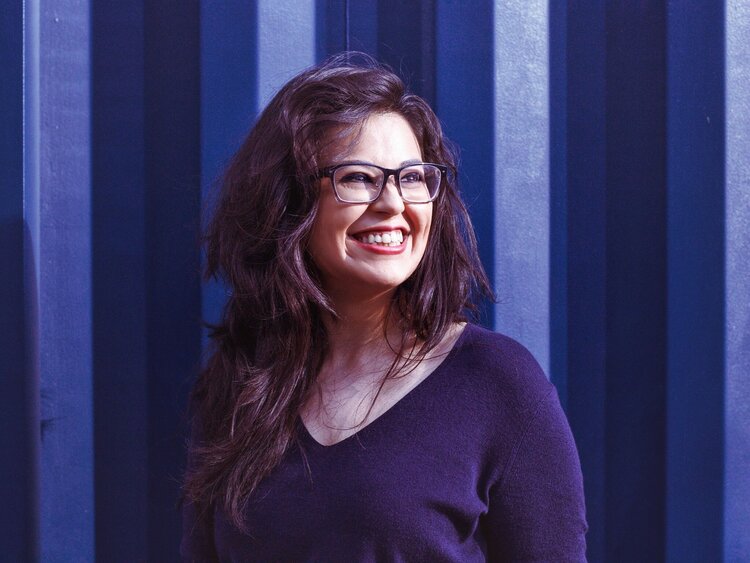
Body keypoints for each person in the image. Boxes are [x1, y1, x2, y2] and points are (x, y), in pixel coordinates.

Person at [181, 53, 587, 562]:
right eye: (358, 177)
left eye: (413, 177)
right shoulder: (239, 385)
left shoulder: (498, 385)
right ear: (288, 201)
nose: (394, 202)